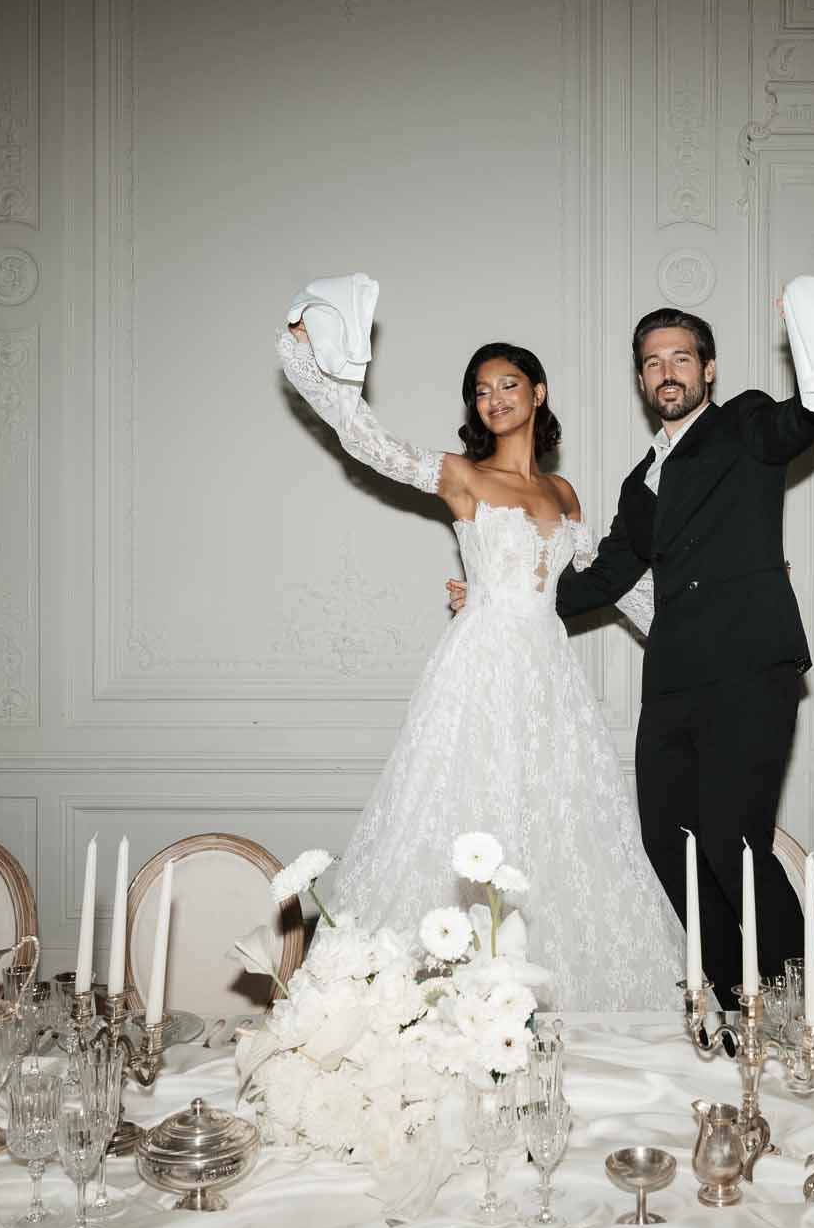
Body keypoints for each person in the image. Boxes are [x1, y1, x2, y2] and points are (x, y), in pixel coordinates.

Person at [274, 321, 684, 1011]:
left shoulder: (564, 494)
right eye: (480, 391)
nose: (493, 398)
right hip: (480, 670)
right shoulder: (464, 476)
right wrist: (311, 361)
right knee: (462, 815)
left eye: (508, 384)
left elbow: (611, 584)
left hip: (549, 678)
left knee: (559, 826)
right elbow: (371, 445)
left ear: (537, 392)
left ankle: (544, 1008)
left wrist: (703, 627)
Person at [551, 306, 814, 1003]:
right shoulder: (641, 480)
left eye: (680, 358)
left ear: (707, 369)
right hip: (673, 679)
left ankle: (795, 1000)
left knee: (733, 841)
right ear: (641, 379)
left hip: (748, 667)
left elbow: (802, 420)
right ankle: (738, 998)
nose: (665, 372)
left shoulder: (744, 423)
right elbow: (605, 575)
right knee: (667, 842)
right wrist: (510, 597)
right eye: (652, 362)